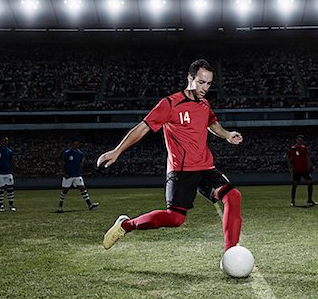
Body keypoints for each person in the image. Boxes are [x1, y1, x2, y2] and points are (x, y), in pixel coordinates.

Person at [97, 59, 243, 252]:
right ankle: (126, 225)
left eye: (208, 83)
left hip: (205, 167)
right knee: (175, 219)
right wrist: (118, 150)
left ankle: (230, 252)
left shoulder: (204, 104)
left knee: (233, 196)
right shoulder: (170, 104)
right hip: (181, 171)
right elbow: (143, 128)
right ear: (190, 78)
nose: (205, 88)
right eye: (201, 82)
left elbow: (211, 123)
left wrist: (227, 135)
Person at [57, 141, 99, 212]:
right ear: (72, 145)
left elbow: (81, 163)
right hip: (68, 175)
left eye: (77, 144)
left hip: (77, 175)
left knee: (82, 188)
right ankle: (60, 206)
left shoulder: (80, 153)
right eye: (74, 144)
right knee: (65, 190)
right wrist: (64, 173)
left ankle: (90, 204)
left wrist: (80, 172)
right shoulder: (67, 153)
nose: (76, 145)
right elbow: (62, 163)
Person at [287, 134, 318, 207]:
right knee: (294, 184)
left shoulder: (304, 148)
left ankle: (310, 199)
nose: (300, 141)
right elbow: (289, 159)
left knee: (310, 182)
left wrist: (311, 165)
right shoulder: (293, 148)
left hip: (304, 169)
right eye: (299, 140)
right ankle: (292, 200)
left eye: (301, 140)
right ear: (296, 140)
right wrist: (290, 167)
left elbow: (307, 157)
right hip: (297, 169)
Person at [0, 137, 16, 212]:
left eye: (6, 141)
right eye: (3, 141)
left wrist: (14, 171)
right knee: (0, 190)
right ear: (1, 141)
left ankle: (11, 205)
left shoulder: (9, 151)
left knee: (10, 189)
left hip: (8, 172)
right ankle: (1, 206)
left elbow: (12, 161)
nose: (5, 142)